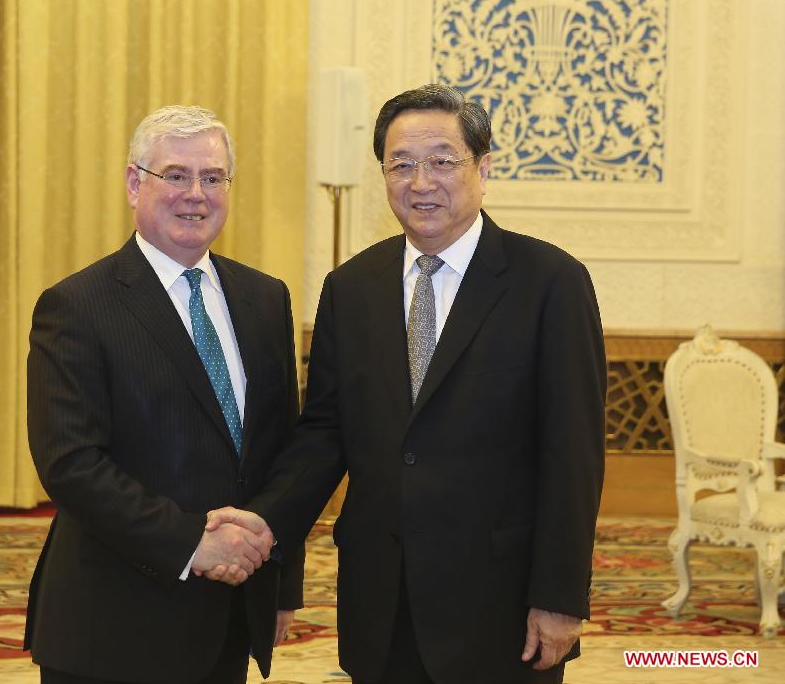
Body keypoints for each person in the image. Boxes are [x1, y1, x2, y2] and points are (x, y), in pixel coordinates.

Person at [207, 85, 607, 683]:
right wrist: (265, 524)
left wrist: (560, 595)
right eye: (402, 165)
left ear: (484, 167)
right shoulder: (352, 288)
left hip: (498, 605)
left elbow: (574, 455)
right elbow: (323, 436)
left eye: (443, 161)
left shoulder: (549, 282)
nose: (421, 182)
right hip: (379, 599)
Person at [24, 105, 303, 684]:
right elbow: (70, 464)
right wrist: (189, 544)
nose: (195, 194)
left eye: (213, 177)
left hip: (229, 614)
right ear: (134, 183)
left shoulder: (265, 299)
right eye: (175, 175)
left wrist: (280, 582)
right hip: (113, 624)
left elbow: (283, 451)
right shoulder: (77, 305)